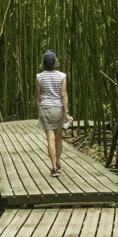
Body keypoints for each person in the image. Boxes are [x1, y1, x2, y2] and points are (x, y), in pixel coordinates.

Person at [35, 49, 72, 177]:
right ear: (55, 61)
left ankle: (53, 168)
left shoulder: (39, 76)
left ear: (43, 63)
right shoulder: (62, 76)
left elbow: (38, 96)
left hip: (45, 108)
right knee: (58, 138)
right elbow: (63, 94)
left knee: (50, 138)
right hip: (58, 108)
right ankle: (58, 162)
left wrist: (39, 108)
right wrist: (66, 112)